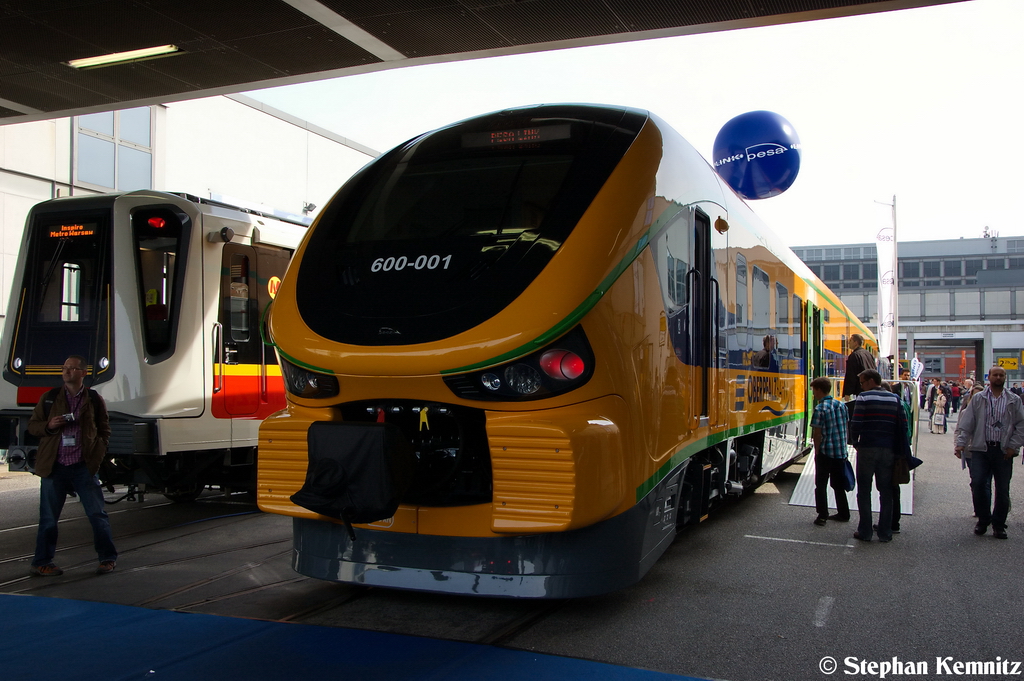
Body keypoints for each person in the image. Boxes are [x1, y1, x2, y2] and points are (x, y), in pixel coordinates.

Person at [27, 355, 116, 576]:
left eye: (73, 368)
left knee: (97, 515)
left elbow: (104, 429)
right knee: (48, 519)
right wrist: (49, 425)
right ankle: (42, 562)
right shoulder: (50, 397)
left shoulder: (93, 399)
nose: (67, 372)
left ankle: (107, 559)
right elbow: (33, 426)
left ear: (83, 373)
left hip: (83, 467)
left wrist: (97, 455)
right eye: (65, 368)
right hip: (55, 466)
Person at [953, 366, 1024, 539]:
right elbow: (967, 423)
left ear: (1005, 377)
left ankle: (999, 525)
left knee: (1002, 488)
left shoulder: (1013, 400)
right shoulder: (979, 398)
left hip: (1003, 450)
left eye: (1001, 375)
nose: (998, 377)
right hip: (981, 449)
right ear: (989, 377)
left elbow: (1021, 425)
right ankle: (983, 520)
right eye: (995, 375)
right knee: (978, 483)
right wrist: (960, 444)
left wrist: (1013, 446)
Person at [848, 369, 911, 542]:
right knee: (886, 491)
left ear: (870, 381)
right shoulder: (895, 399)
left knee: (864, 491)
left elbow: (856, 423)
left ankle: (865, 531)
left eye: (862, 383)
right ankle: (885, 532)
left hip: (867, 448)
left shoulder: (863, 398)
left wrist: (855, 442)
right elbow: (903, 426)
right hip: (888, 449)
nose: (861, 386)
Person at [809, 377, 850, 526]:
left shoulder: (820, 409)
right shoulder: (842, 405)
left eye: (814, 390)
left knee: (821, 485)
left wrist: (817, 452)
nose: (814, 394)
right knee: (838, 485)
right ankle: (844, 513)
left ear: (819, 390)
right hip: (840, 452)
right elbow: (846, 426)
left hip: (825, 452)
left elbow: (817, 434)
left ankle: (822, 516)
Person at [842, 334, 875, 399]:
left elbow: (851, 376)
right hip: (870, 389)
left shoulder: (854, 356)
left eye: (850, 340)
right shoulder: (868, 354)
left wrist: (847, 393)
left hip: (859, 390)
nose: (848, 343)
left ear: (856, 342)